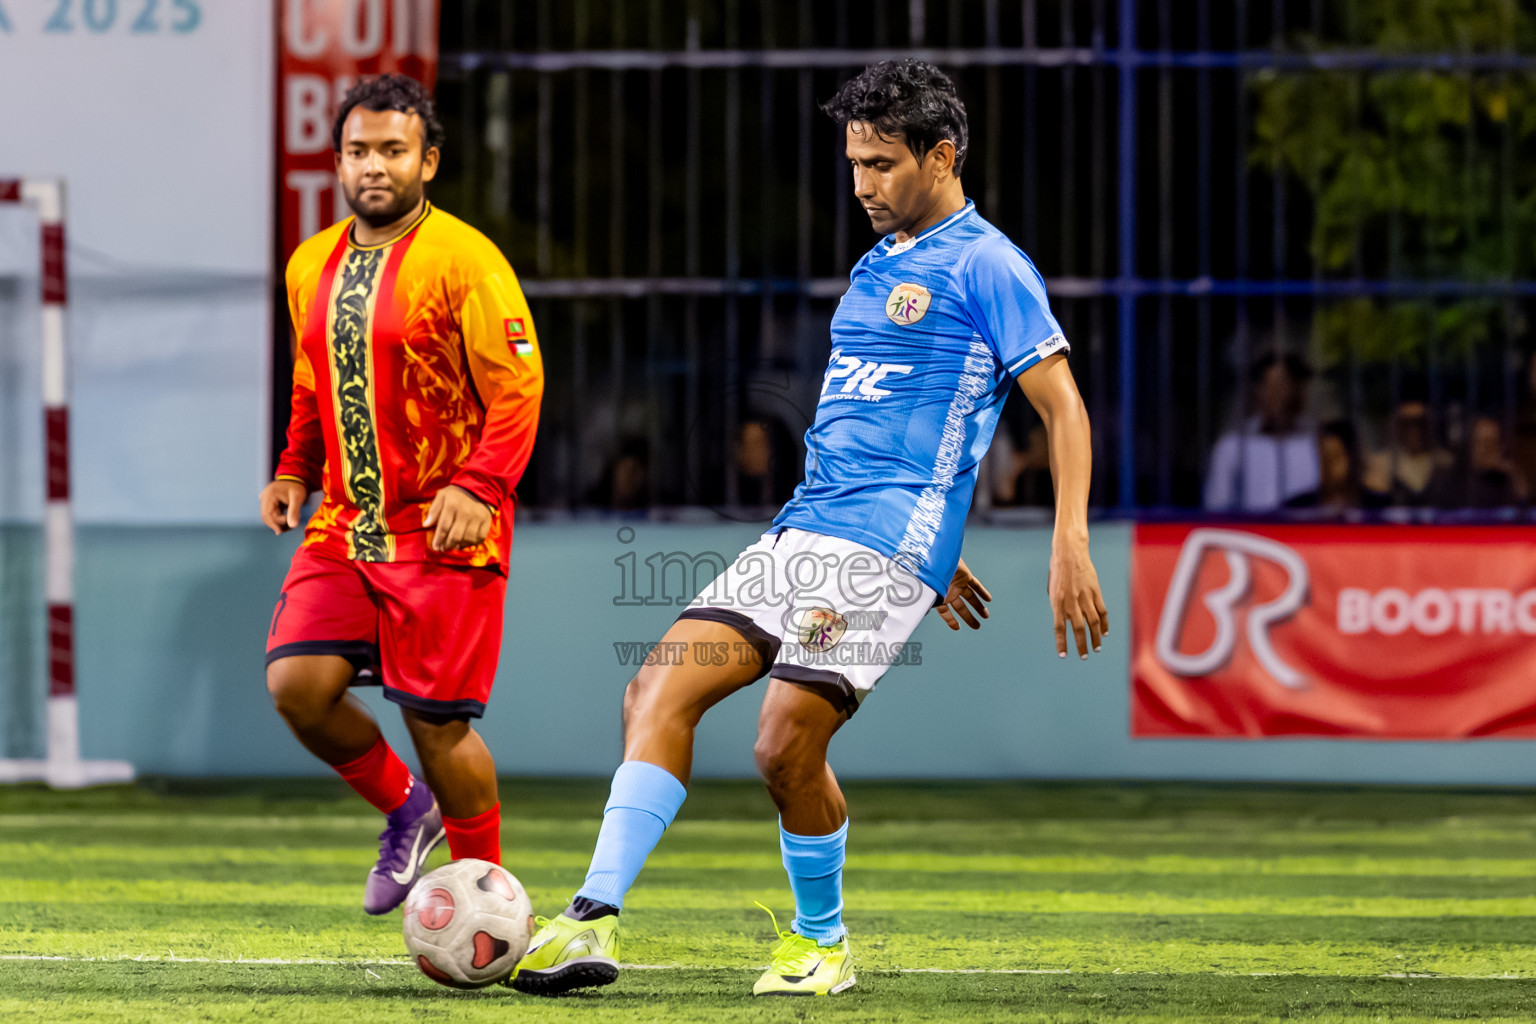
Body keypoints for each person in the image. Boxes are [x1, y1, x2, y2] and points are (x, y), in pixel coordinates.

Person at [511, 59, 1107, 998]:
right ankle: (592, 922)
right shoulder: (879, 265)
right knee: (653, 692)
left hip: (882, 545)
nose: (862, 185)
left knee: (782, 743)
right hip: (805, 529)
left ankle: (821, 943)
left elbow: (1062, 410)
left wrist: (1061, 539)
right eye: (854, 164)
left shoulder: (989, 263)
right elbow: (885, 413)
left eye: (880, 164)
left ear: (941, 156)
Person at [259, 74, 543, 915]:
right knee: (297, 688)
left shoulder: (467, 259)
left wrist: (481, 484)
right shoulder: (310, 262)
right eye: (358, 151)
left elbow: (518, 388)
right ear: (339, 162)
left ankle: (488, 900)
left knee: (437, 724)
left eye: (392, 150)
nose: (373, 166)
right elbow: (314, 385)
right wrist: (293, 470)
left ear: (429, 160)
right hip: (346, 525)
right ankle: (406, 809)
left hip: (446, 527)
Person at [1203, 352, 1318, 512]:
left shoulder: (1318, 445)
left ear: (1299, 391)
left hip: (1305, 535)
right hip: (1248, 536)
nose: (1280, 397)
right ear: (1258, 390)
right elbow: (1216, 508)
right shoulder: (1232, 447)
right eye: (1271, 387)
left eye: (1285, 386)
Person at [1281, 419, 1389, 515]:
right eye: (1321, 459)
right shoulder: (1296, 510)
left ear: (1352, 458)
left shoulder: (1380, 508)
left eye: (1332, 458)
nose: (1326, 467)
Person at [1363, 399, 1453, 507]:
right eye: (1406, 423)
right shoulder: (1380, 463)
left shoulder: (1444, 461)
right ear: (1396, 424)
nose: (1414, 430)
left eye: (1419, 422)